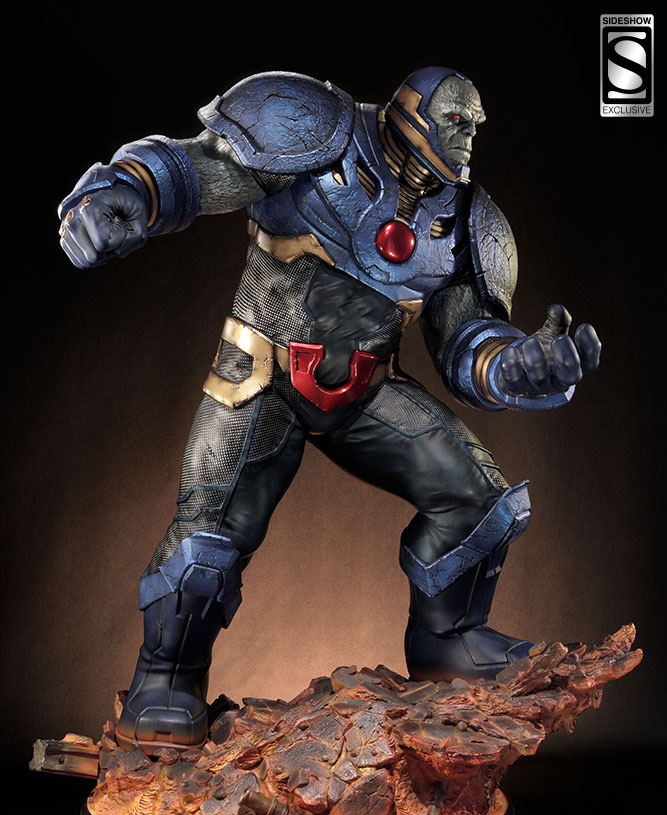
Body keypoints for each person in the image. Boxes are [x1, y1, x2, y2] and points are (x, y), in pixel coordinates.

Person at [58, 67, 600, 753]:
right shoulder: (317, 128)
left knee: (476, 500)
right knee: (209, 537)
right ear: (411, 111)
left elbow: (464, 342)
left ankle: (449, 642)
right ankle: (165, 678)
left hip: (366, 393)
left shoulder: (466, 220)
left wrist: (517, 366)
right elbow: (204, 168)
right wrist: (127, 190)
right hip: (260, 378)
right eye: (457, 118)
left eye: (475, 123)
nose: (470, 132)